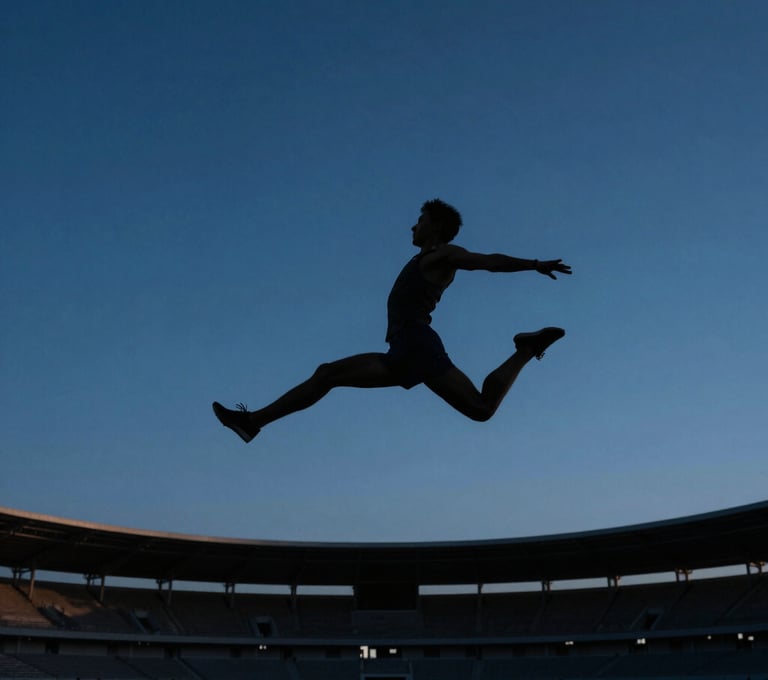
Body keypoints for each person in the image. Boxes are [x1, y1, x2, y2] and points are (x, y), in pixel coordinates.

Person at [213, 198, 571, 443]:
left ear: (435, 227)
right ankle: (252, 422)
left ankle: (525, 349)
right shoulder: (424, 259)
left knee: (480, 409)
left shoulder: (443, 254)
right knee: (326, 374)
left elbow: (487, 261)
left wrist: (534, 264)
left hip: (416, 344)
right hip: (402, 347)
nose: (411, 226)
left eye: (419, 221)